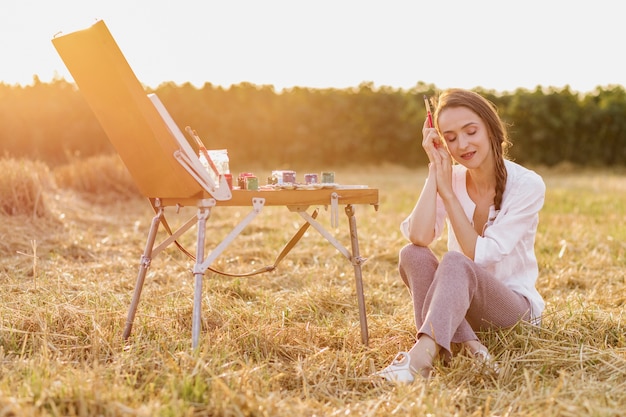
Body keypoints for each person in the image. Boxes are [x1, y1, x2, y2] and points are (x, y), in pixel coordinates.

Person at [375, 88, 546, 382]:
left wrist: (450, 197)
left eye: (470, 131)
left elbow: (479, 255)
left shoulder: (527, 185)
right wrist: (435, 170)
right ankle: (472, 346)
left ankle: (421, 357)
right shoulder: (450, 177)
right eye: (451, 138)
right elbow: (418, 236)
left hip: (513, 312)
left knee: (455, 261)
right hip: (461, 308)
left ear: (491, 128)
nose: (462, 144)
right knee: (412, 254)